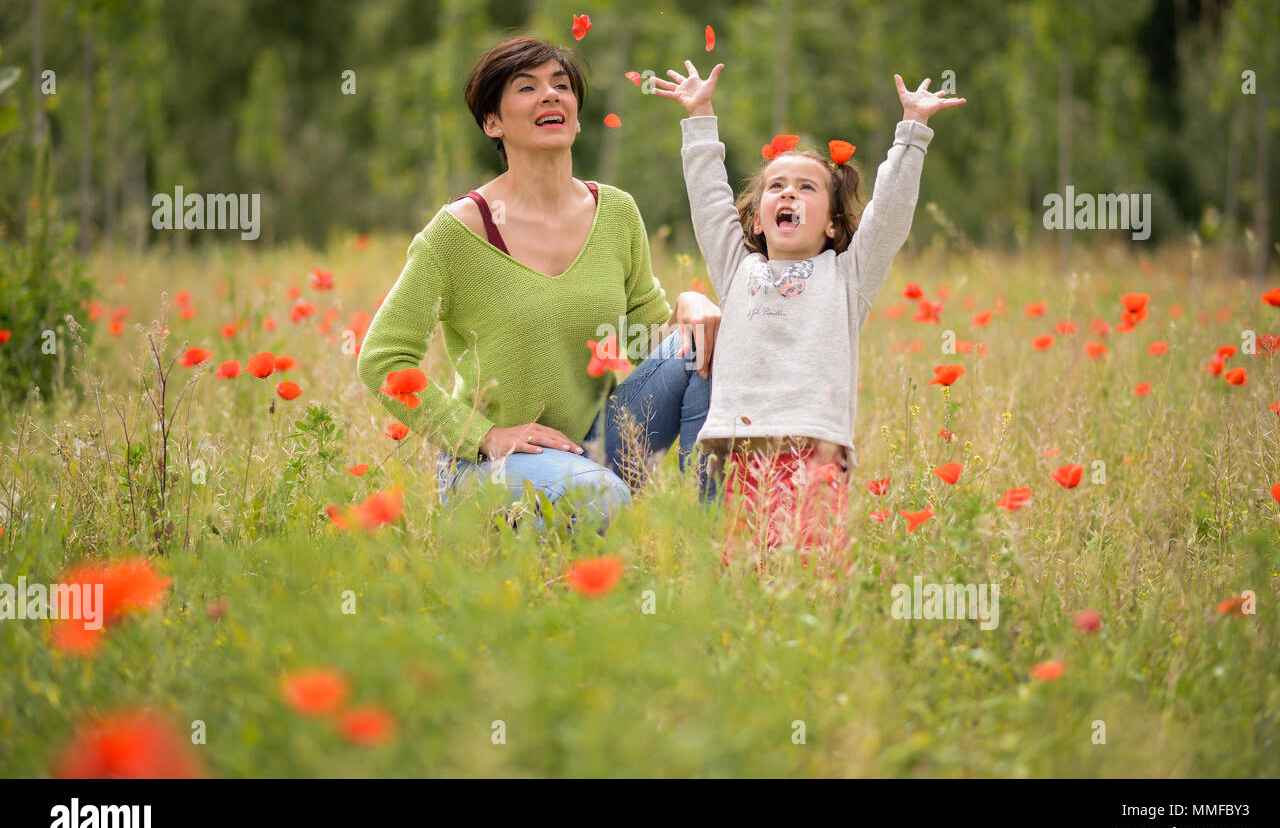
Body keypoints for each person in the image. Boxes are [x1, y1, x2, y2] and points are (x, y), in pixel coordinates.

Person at [357, 37, 720, 532]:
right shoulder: (456, 233)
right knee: (602, 495)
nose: (551, 95)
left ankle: (712, 536)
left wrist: (690, 303)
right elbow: (382, 358)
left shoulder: (615, 213)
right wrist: (483, 435)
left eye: (561, 85)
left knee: (703, 346)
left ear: (575, 113)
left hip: (597, 445)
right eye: (527, 88)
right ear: (493, 122)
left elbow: (647, 338)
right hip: (492, 466)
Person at [650, 59, 965, 563]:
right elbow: (709, 199)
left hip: (814, 453)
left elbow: (889, 214)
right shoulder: (737, 269)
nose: (788, 193)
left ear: (835, 226)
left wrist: (913, 132)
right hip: (737, 452)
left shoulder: (847, 279)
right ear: (757, 217)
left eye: (806, 187)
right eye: (776, 186)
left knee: (807, 570)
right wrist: (700, 115)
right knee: (738, 573)